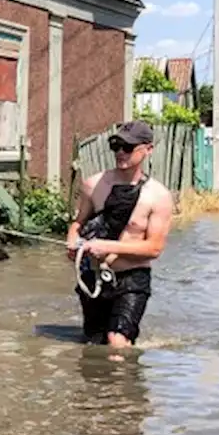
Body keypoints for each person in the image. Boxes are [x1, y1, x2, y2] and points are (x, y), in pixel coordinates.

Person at [64, 120, 174, 349]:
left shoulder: (158, 196)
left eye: (128, 147)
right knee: (95, 342)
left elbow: (154, 248)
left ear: (148, 149)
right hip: (93, 275)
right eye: (116, 146)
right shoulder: (92, 185)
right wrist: (72, 240)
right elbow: (78, 222)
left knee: (117, 342)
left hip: (132, 278)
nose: (121, 153)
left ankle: (124, 384)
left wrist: (108, 246)